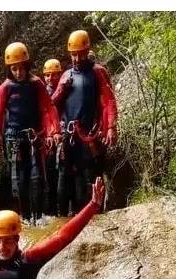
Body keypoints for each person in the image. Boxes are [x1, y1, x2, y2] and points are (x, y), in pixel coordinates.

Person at [0, 42, 60, 224]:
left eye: (21, 68)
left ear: (27, 66)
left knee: (37, 176)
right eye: (14, 69)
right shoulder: (6, 87)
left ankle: (39, 215)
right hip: (14, 138)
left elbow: (47, 108)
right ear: (9, 69)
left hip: (34, 136)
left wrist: (54, 131)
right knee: (20, 179)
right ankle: (25, 217)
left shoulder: (36, 84)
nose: (18, 72)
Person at [52, 30, 118, 216]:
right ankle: (62, 219)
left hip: (89, 136)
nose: (77, 58)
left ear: (88, 51)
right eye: (73, 54)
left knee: (88, 177)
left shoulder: (98, 72)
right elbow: (52, 104)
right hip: (69, 135)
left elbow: (108, 102)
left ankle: (93, 216)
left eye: (81, 54)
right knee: (63, 179)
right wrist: (61, 90)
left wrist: (111, 127)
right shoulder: (66, 75)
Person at [42, 58, 63, 215]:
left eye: (54, 75)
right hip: (48, 138)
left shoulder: (65, 89)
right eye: (47, 75)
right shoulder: (44, 92)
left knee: (62, 173)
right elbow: (48, 105)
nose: (50, 79)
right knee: (49, 174)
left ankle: (60, 209)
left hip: (63, 135)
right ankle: (51, 210)